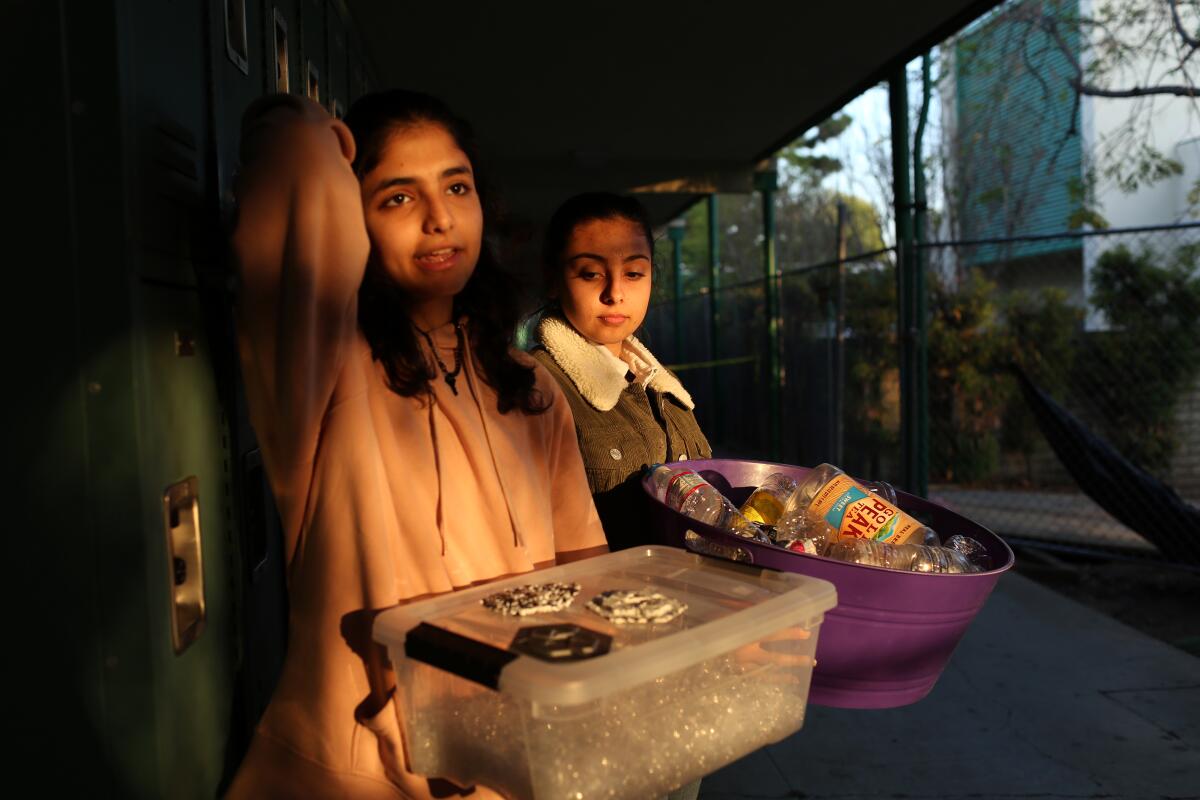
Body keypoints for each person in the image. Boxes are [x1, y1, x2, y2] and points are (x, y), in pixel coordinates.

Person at [225, 91, 607, 799]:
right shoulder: (325, 371)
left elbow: (585, 567)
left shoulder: (529, 386)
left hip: (511, 753)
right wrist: (323, 135)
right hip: (363, 771)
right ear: (353, 215)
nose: (439, 218)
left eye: (457, 187)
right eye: (398, 197)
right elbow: (294, 154)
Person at [531, 193, 713, 548]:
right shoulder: (534, 386)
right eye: (590, 273)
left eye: (632, 273)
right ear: (553, 279)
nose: (615, 293)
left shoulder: (665, 387)